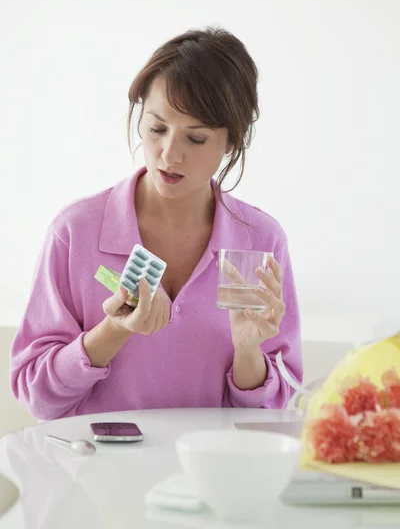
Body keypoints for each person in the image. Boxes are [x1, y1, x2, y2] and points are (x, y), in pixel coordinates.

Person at [11, 27, 303, 421]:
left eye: (196, 139)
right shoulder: (74, 233)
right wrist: (114, 330)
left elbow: (271, 414)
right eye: (157, 128)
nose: (169, 154)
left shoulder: (261, 240)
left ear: (231, 141)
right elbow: (37, 397)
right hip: (95, 474)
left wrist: (248, 352)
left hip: (209, 475)